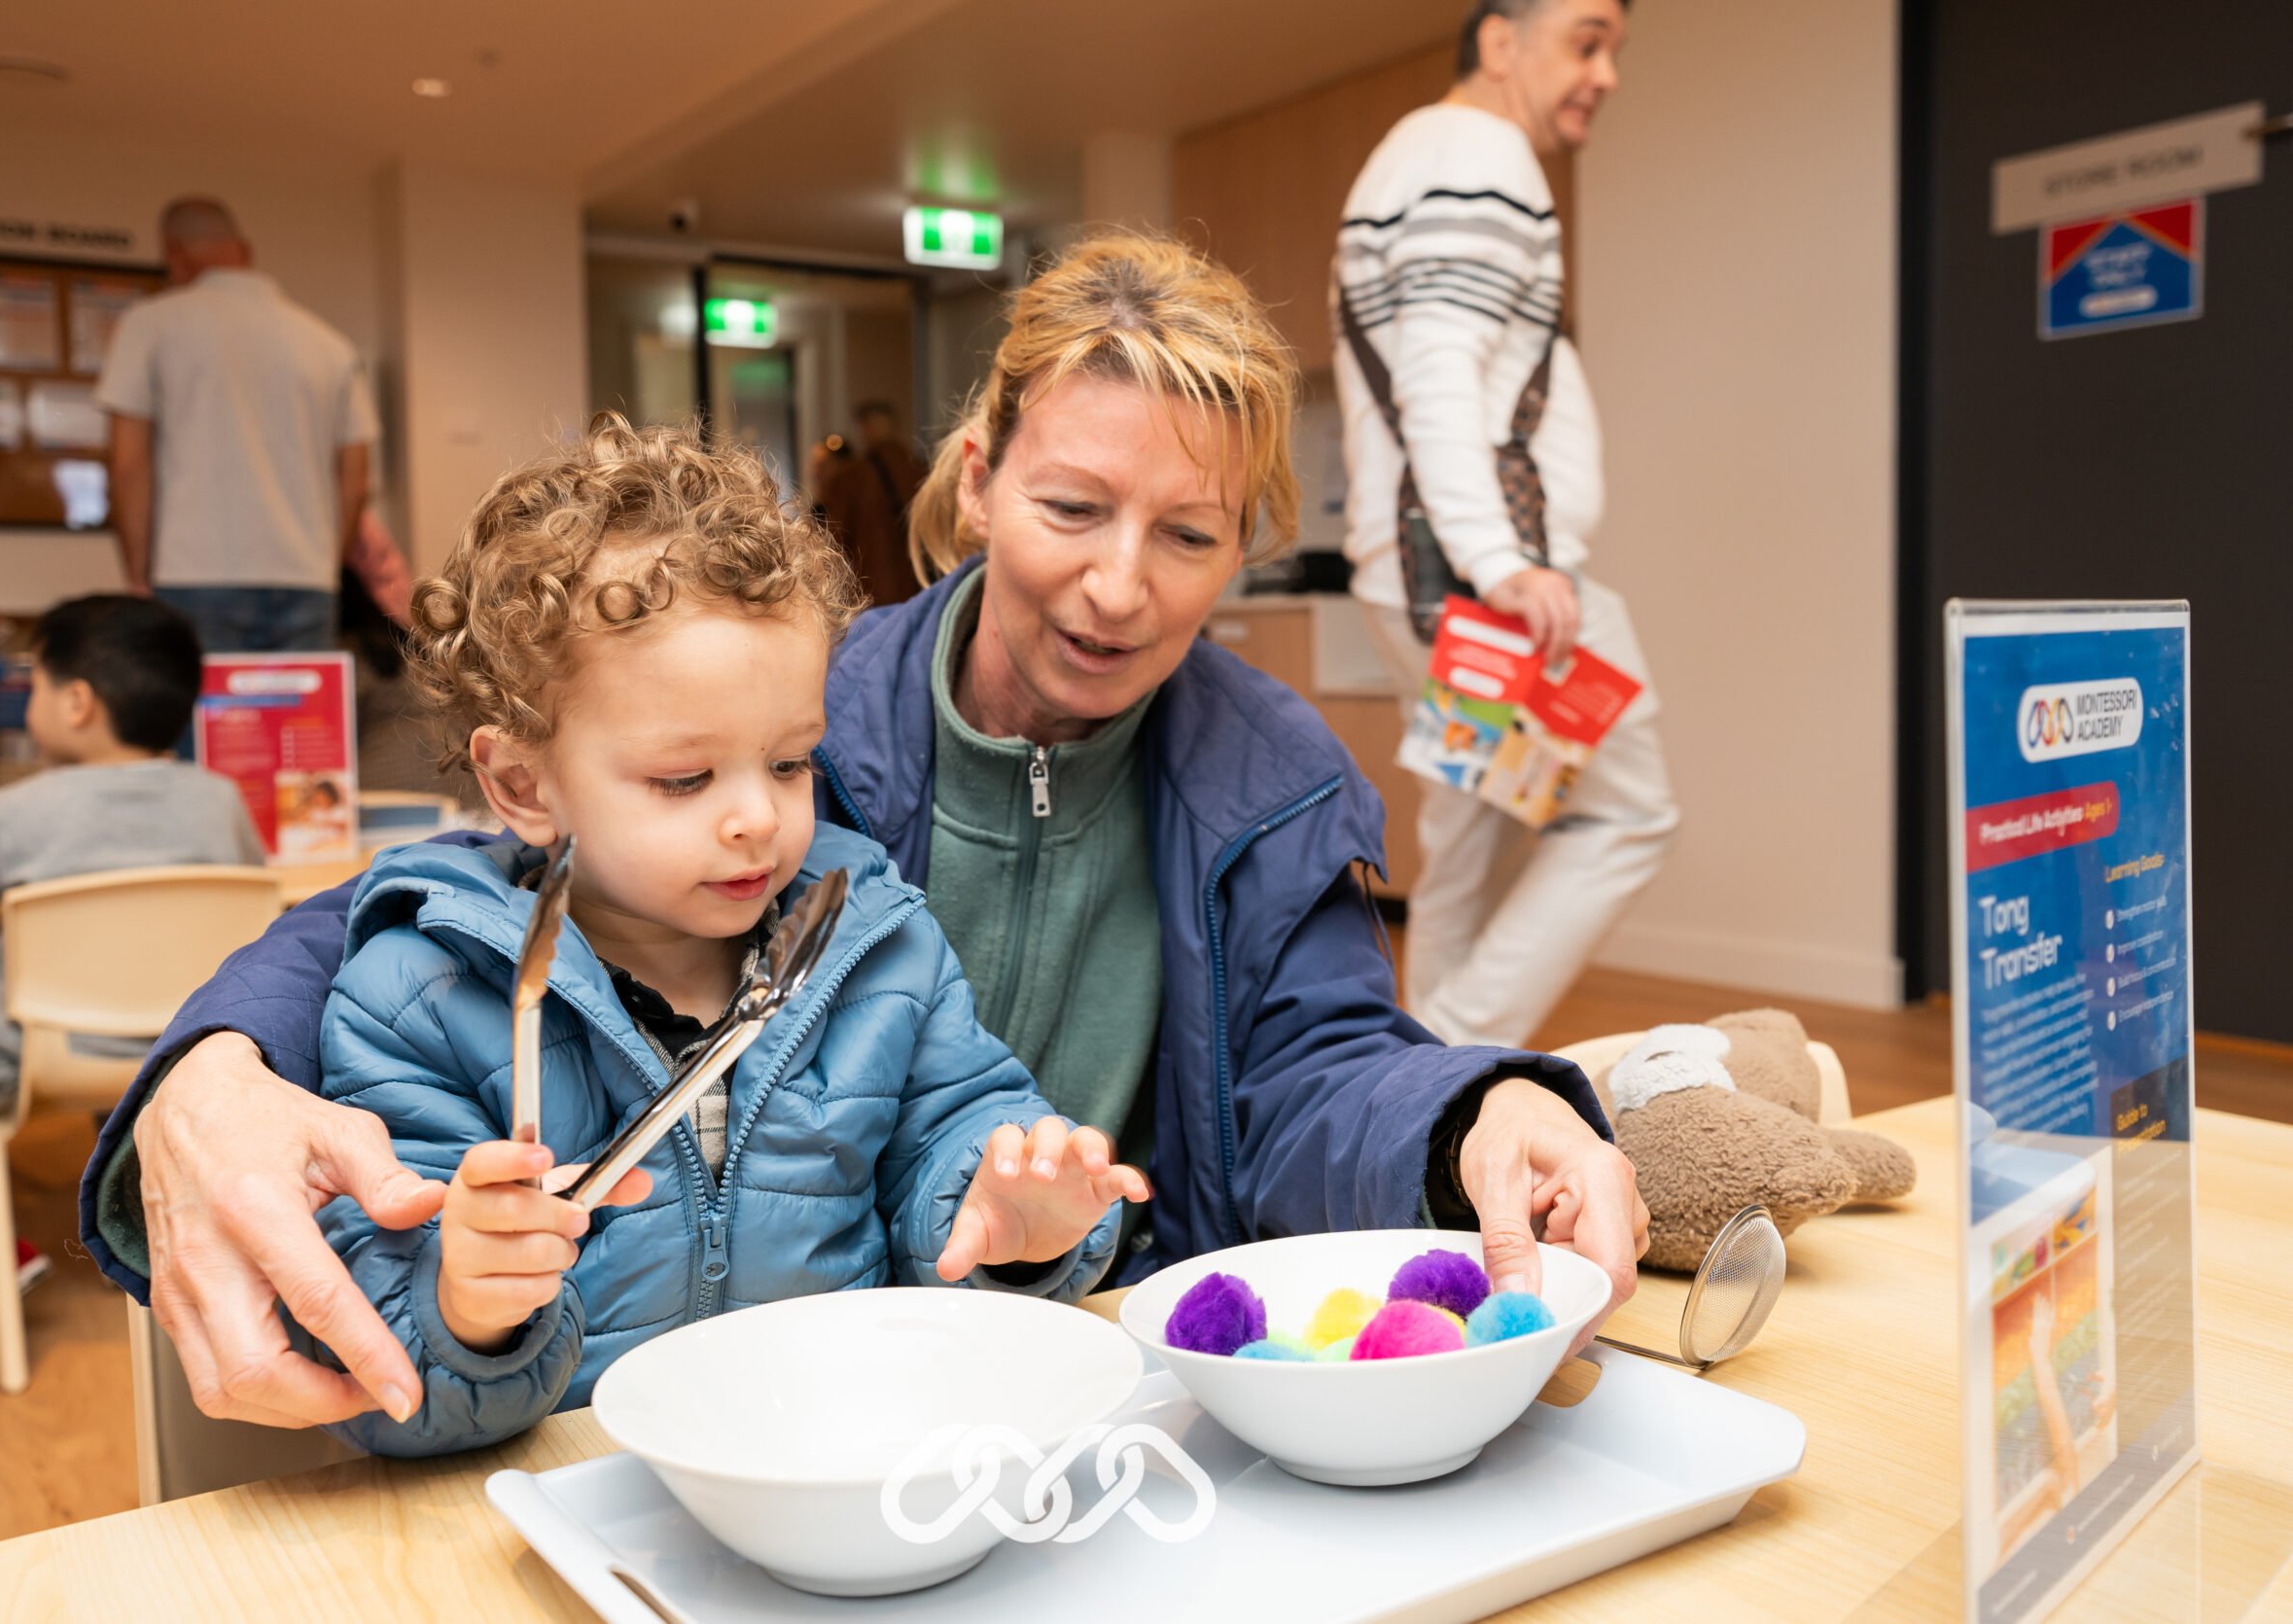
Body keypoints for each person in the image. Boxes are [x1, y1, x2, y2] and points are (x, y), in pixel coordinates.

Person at [79, 233, 1645, 1433]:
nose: (1121, 587)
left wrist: (1472, 1114)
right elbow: (441, 911)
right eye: (1073, 509)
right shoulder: (803, 712)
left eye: (1189, 534)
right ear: (978, 481)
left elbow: (1312, 1072)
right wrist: (205, 1064)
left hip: (1069, 1371)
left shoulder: (1274, 769)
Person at [292, 419, 1139, 1453]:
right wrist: (469, 1303)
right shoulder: (420, 995)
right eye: (684, 778)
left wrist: (1014, 1209)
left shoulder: (875, 947)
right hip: (574, 1497)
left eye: (788, 762)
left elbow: (957, 1140)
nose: (757, 818)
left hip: (846, 1462)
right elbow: (384, 1358)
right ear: (521, 781)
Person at [1334, 0, 1676, 1048]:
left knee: (1465, 844)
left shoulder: (1425, 154)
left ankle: (1413, 1089)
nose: (1604, 72)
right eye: (1585, 39)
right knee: (1626, 810)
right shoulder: (1475, 154)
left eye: (1612, 47)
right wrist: (1499, 561)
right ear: (1499, 42)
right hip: (1483, 582)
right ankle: (1446, 1058)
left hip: (1443, 572)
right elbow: (1439, 371)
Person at [0, 596, 263, 1337]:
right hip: (175, 1051)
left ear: (76, 704)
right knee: (133, 1088)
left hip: (35, 1049)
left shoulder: (11, 813)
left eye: (33, 684)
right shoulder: (219, 802)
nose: (24, 698)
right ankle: (139, 1236)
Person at [97, 196, 377, 654]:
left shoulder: (149, 324)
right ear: (244, 251)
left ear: (174, 254)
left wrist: (137, 574)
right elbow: (355, 479)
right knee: (299, 724)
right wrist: (326, 565)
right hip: (307, 577)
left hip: (193, 573)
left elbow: (129, 463)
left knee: (208, 724)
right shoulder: (330, 344)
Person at [820, 400, 928, 606]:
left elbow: (834, 539)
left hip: (867, 590)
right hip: (916, 587)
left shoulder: (851, 478)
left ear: (864, 428)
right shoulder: (920, 472)